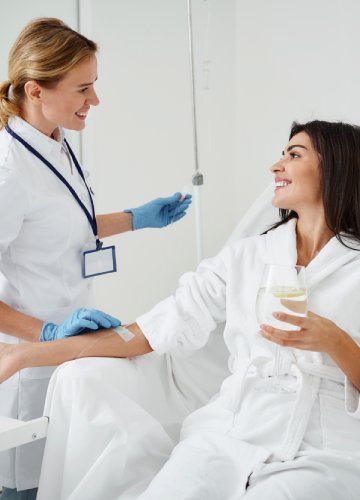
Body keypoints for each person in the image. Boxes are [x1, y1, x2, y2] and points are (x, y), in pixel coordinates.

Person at [2, 119, 360, 499]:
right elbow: (148, 332)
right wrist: (25, 353)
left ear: (335, 166)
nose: (275, 166)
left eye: (294, 155)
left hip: (323, 443)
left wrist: (336, 342)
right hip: (232, 430)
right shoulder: (246, 257)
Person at [0, 17, 192, 500]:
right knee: (26, 485)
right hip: (27, 366)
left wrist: (135, 218)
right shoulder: (7, 169)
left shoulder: (57, 143)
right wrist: (44, 333)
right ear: (35, 90)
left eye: (95, 85)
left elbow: (61, 225)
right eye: (83, 88)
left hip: (69, 353)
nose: (95, 100)